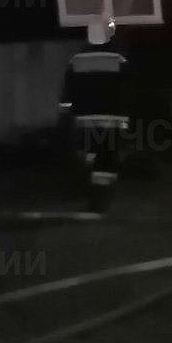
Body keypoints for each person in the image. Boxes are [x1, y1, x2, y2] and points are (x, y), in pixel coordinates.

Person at [59, 17, 130, 211]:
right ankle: (101, 198)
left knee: (87, 155)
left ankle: (89, 193)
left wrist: (66, 114)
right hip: (111, 120)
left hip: (84, 119)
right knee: (107, 158)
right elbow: (126, 92)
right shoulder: (118, 59)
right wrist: (126, 119)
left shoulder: (77, 60)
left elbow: (67, 92)